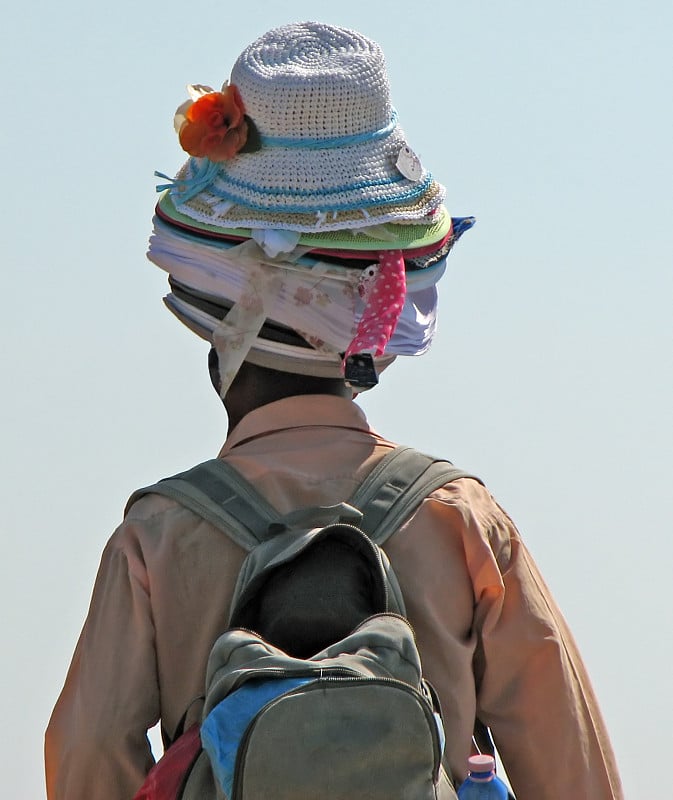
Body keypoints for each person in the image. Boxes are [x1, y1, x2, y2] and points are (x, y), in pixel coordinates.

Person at [45, 21, 624, 800]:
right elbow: (568, 760)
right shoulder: (460, 517)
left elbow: (87, 755)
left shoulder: (157, 532)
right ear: (371, 349)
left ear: (218, 326)